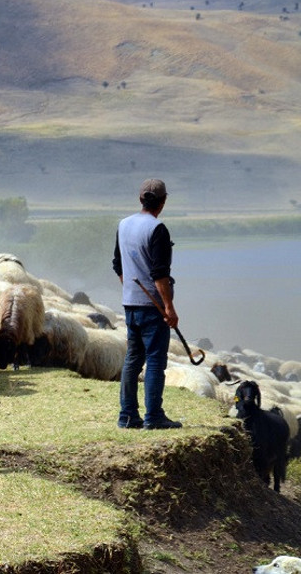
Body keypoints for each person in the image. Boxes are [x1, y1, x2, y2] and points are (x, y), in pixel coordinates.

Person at [112, 178, 182, 430]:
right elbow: (160, 274)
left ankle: (127, 416)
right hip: (152, 307)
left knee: (132, 359)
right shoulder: (158, 229)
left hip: (130, 304)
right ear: (162, 202)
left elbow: (118, 265)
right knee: (154, 360)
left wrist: (130, 289)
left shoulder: (123, 224)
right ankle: (154, 417)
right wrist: (169, 308)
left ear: (140, 199)